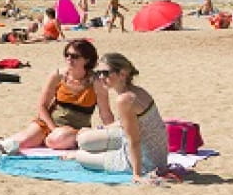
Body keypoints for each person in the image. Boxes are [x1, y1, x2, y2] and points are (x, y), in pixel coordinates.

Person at [71, 53, 169, 182]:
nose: (101, 77)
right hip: (157, 154)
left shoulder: (125, 100)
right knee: (84, 139)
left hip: (145, 160)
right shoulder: (138, 91)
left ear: (122, 74)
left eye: (105, 73)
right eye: (98, 73)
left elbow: (134, 140)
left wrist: (137, 174)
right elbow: (127, 123)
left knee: (80, 156)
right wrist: (99, 129)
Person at [2, 40, 113, 151]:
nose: (69, 59)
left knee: (56, 140)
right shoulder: (58, 76)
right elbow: (42, 106)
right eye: (67, 55)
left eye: (75, 56)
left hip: (75, 130)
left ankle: (61, 138)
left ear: (87, 60)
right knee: (19, 142)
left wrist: (113, 134)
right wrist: (53, 128)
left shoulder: (96, 83)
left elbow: (105, 113)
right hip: (49, 123)